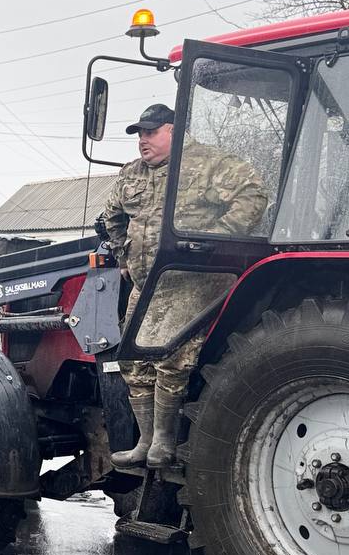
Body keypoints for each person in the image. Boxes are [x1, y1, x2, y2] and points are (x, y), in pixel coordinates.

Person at [101, 103, 266, 469]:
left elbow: (253, 195)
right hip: (147, 286)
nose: (143, 140)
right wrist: (123, 255)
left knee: (171, 360)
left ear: (173, 131)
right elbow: (111, 214)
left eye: (150, 132)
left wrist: (218, 240)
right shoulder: (132, 173)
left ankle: (165, 442)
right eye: (139, 134)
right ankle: (145, 441)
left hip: (189, 283)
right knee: (131, 358)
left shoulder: (208, 163)